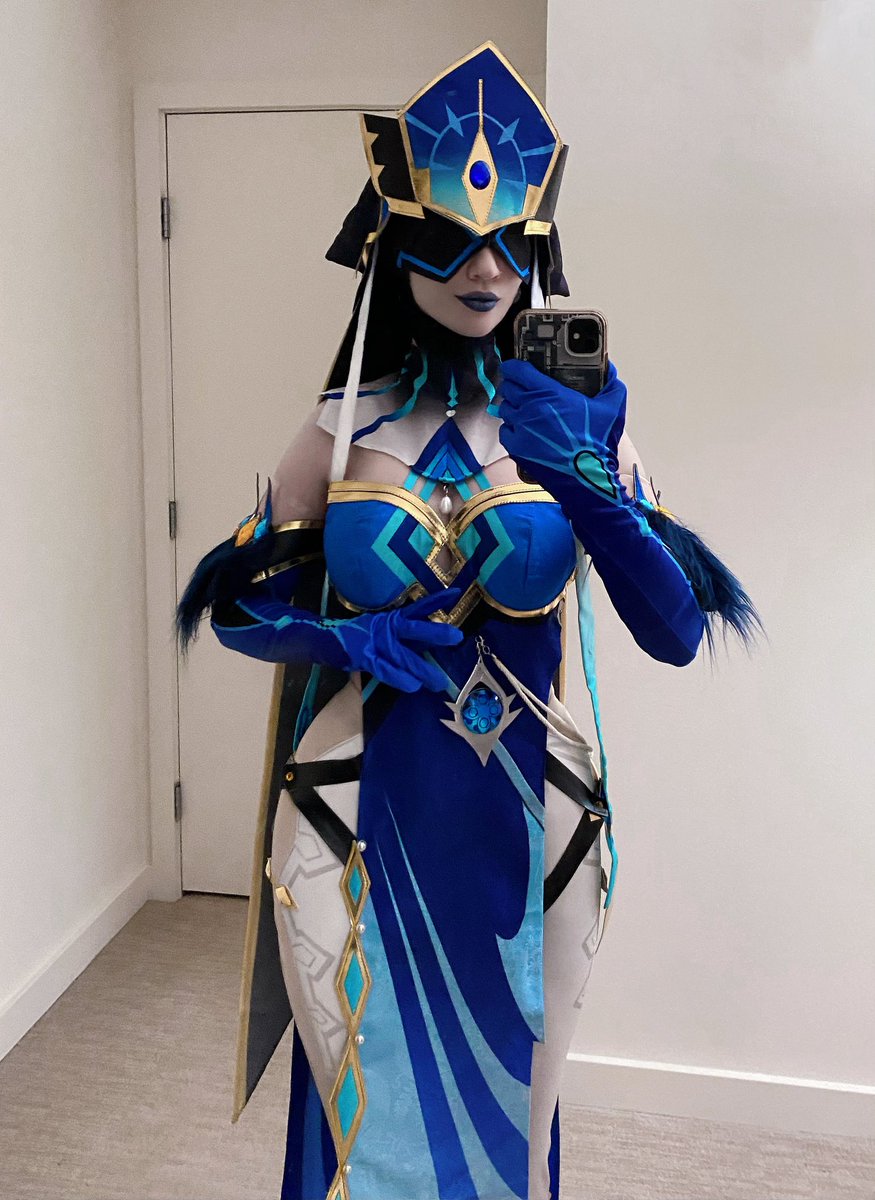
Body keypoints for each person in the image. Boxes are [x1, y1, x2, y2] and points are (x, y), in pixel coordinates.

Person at [178, 42, 758, 1200]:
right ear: (392, 244)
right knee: (360, 1124)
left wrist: (586, 481)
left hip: (535, 816)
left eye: (508, 240)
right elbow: (229, 607)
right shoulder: (343, 423)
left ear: (538, 245)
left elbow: (676, 632)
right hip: (353, 805)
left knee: (514, 1131)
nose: (483, 266)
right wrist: (337, 639)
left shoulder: (580, 424)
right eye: (448, 237)